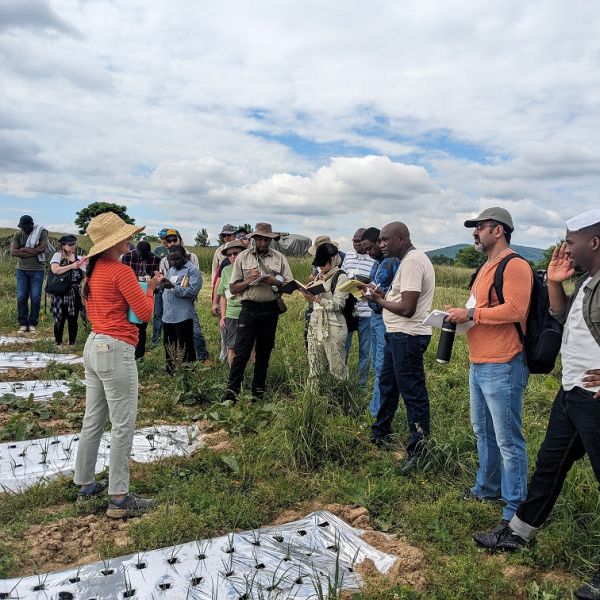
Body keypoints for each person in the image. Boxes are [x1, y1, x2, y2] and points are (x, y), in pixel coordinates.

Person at [472, 208, 600, 600]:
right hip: (572, 393)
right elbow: (561, 319)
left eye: (571, 241)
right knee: (549, 465)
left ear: (594, 241)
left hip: (594, 398)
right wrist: (558, 283)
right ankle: (519, 531)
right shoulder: (589, 281)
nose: (565, 248)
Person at [445, 207, 533, 523]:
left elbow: (515, 310)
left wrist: (471, 315)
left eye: (479, 227)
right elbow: (478, 308)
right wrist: (460, 313)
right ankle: (486, 488)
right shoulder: (485, 268)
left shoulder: (515, 265)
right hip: (479, 361)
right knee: (484, 431)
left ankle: (514, 509)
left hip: (504, 363)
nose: (474, 232)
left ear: (498, 230)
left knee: (508, 439)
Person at [73, 211, 160, 519]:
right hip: (115, 348)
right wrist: (150, 289)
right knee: (123, 423)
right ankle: (119, 498)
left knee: (93, 419)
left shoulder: (93, 271)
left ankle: (84, 483)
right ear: (115, 241)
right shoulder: (120, 271)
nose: (131, 238)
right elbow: (145, 314)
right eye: (126, 234)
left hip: (94, 344)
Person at [367, 222, 435, 473]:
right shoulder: (407, 261)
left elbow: (408, 308)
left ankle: (419, 450)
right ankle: (380, 433)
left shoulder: (412, 262)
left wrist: (379, 300)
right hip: (397, 335)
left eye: (386, 240)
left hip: (408, 335)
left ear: (402, 238)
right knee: (388, 385)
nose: (381, 244)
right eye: (380, 240)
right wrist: (381, 296)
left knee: (412, 393)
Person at [225, 222, 293, 400]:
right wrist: (249, 280)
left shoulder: (279, 258)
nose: (263, 242)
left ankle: (258, 392)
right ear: (254, 238)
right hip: (249, 308)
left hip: (270, 309)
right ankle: (231, 393)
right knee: (242, 352)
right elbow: (232, 289)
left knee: (264, 352)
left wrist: (275, 282)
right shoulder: (243, 257)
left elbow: (289, 286)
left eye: (266, 239)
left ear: (271, 239)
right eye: (260, 238)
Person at [360, 227, 400, 418]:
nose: (368, 253)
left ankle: (379, 412)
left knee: (383, 365)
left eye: (370, 248)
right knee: (378, 364)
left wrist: (380, 295)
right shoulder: (377, 264)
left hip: (386, 318)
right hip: (375, 316)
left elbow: (398, 292)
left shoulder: (394, 262)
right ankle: (378, 407)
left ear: (379, 242)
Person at [302, 243, 350, 391]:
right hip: (315, 323)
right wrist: (308, 291)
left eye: (323, 264)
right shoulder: (318, 275)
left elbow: (337, 304)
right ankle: (313, 401)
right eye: (318, 264)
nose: (320, 267)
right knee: (314, 367)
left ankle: (340, 400)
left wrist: (316, 299)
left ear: (334, 259)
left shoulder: (341, 277)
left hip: (334, 324)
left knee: (337, 368)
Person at [158, 230, 208, 362]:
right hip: (168, 316)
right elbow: (165, 288)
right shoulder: (171, 270)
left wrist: (173, 287)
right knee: (169, 345)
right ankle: (171, 371)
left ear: (184, 257)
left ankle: (188, 370)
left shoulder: (192, 270)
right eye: (172, 259)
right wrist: (162, 285)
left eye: (177, 258)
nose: (174, 262)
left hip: (183, 315)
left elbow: (192, 291)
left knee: (186, 345)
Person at [342, 228, 375, 386]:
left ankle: (360, 384)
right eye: (355, 241)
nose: (357, 244)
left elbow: (377, 285)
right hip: (348, 311)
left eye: (360, 241)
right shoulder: (348, 256)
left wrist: (365, 284)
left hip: (367, 312)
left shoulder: (374, 259)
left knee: (365, 351)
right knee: (344, 347)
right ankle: (342, 380)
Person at [121, 240, 161, 359]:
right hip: (129, 295)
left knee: (141, 326)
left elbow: (158, 279)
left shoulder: (156, 259)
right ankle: (127, 353)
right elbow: (122, 275)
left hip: (145, 296)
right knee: (128, 325)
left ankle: (139, 355)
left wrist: (153, 282)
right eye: (140, 255)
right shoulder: (127, 257)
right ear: (136, 251)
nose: (143, 258)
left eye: (146, 256)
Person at [10, 214, 49, 333]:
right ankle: (23, 323)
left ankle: (32, 323)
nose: (23, 229)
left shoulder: (42, 232)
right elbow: (14, 252)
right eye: (22, 227)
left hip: (37, 270)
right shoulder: (18, 234)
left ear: (31, 225)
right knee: (21, 297)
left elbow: (42, 249)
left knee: (36, 298)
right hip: (21, 269)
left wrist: (23, 249)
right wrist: (33, 251)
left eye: (26, 227)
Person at [49, 234, 86, 347]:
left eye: (74, 244)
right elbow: (55, 270)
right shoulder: (57, 255)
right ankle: (58, 343)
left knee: (73, 318)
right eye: (70, 245)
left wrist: (86, 263)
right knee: (60, 317)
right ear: (63, 245)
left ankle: (72, 343)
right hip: (60, 292)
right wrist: (72, 266)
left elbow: (85, 273)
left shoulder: (78, 258)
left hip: (74, 292)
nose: (73, 246)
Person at [217, 240, 245, 366]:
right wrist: (223, 316)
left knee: (250, 345)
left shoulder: (249, 269)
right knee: (231, 346)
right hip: (232, 313)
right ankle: (233, 377)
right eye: (229, 255)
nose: (232, 256)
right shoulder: (225, 271)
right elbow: (223, 295)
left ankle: (249, 375)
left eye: (235, 253)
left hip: (247, 311)